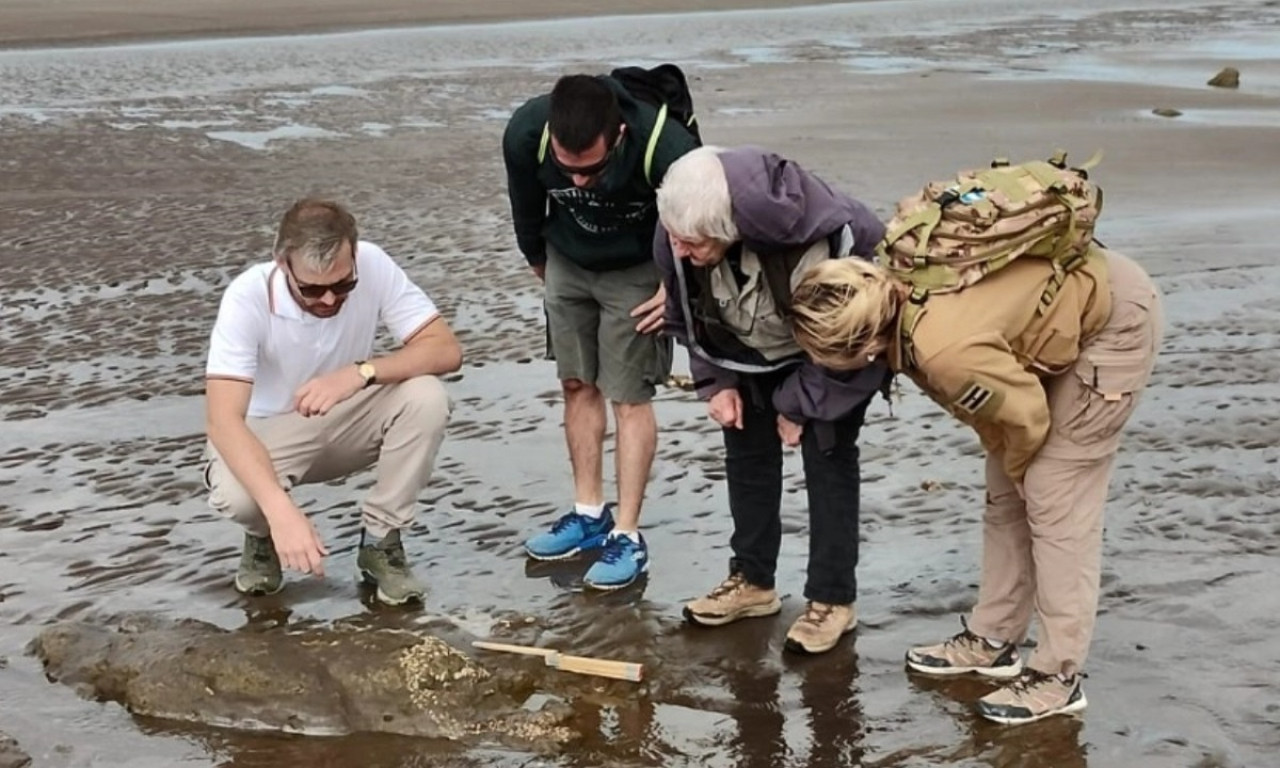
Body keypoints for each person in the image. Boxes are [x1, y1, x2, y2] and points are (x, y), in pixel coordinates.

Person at [790, 242, 1163, 720]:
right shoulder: (895, 302)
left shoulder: (942, 351)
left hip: (1115, 319)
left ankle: (1058, 676)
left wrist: (1026, 479)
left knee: (1054, 496)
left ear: (861, 349)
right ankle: (994, 637)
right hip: (1050, 322)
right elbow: (1003, 412)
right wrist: (1012, 474)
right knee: (1007, 488)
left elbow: (1026, 419)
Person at [654, 145, 889, 654]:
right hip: (747, 346)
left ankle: (832, 600)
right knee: (745, 449)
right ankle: (753, 583)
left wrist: (798, 404)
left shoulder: (816, 240)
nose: (679, 250)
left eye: (692, 243)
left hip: (831, 351)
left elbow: (851, 341)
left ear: (727, 229)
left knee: (827, 457)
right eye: (675, 239)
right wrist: (715, 383)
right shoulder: (678, 225)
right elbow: (687, 313)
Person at [204, 198, 462, 605]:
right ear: (282, 263)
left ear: (355, 256)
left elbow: (446, 350)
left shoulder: (373, 263)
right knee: (237, 496)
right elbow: (222, 421)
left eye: (343, 286)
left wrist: (359, 372)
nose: (328, 300)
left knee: (426, 396)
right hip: (268, 435)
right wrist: (280, 511)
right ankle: (260, 538)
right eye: (311, 289)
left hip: (346, 418)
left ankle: (380, 542)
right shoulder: (247, 296)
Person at [502, 73, 699, 589]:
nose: (581, 183)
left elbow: (703, 219)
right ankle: (590, 516)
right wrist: (537, 258)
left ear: (618, 136)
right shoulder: (527, 132)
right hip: (568, 260)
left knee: (628, 396)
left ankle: (628, 537)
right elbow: (525, 203)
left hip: (638, 269)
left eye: (594, 170)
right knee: (576, 384)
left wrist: (677, 286)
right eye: (570, 172)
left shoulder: (666, 145)